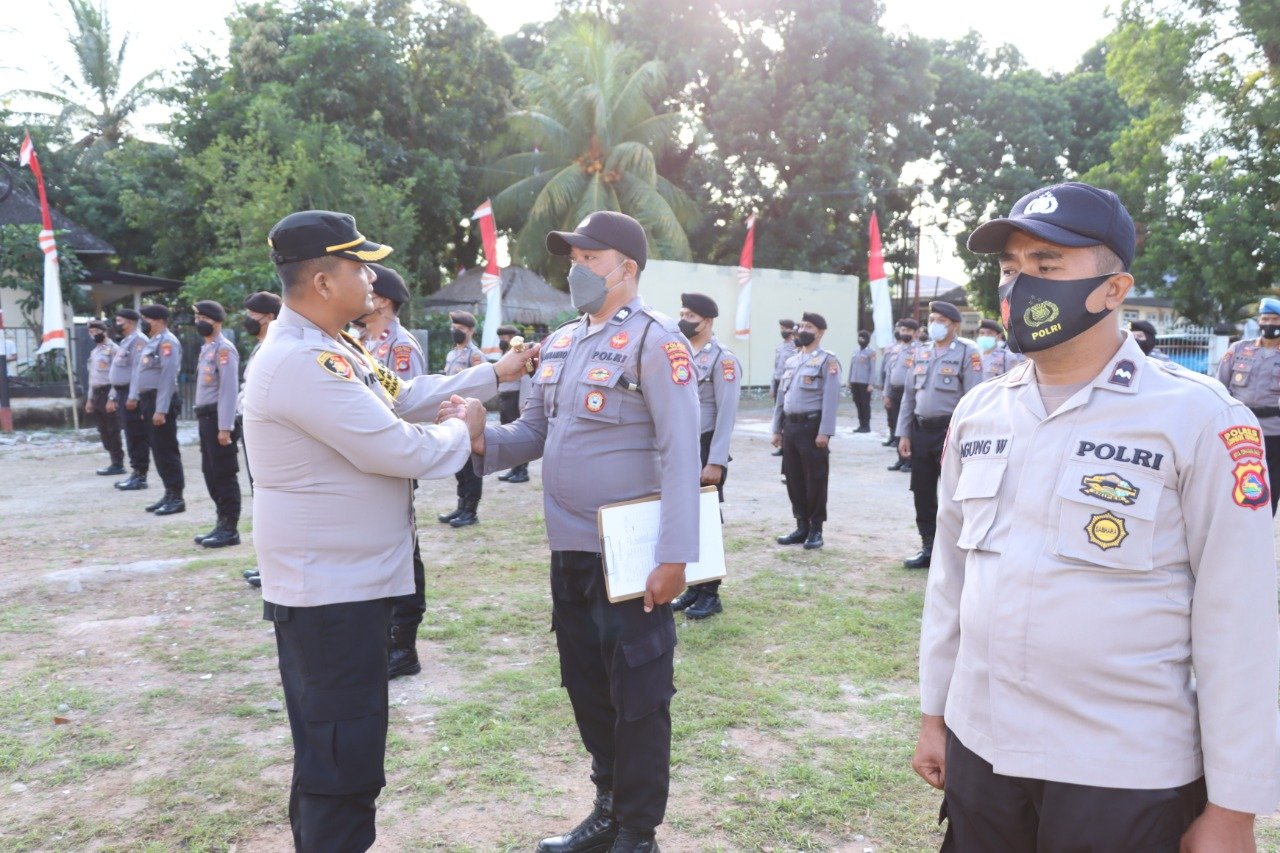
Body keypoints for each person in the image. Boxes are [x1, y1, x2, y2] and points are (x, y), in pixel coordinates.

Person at [912, 180, 1280, 851]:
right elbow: (951, 579)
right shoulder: (981, 411)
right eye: (1010, 267)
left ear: (1115, 289)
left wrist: (1235, 807)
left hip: (1120, 769)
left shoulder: (1199, 418)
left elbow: (1242, 620)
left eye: (1047, 267)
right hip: (983, 747)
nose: (1020, 286)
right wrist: (935, 713)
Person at [247, 209, 535, 853]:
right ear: (323, 281)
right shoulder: (302, 361)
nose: (372, 279)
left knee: (337, 753)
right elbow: (404, 447)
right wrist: (469, 425)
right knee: (340, 765)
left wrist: (493, 374)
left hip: (347, 584)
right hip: (329, 593)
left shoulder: (332, 345)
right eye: (359, 267)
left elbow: (402, 394)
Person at [471, 211, 699, 853]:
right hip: (568, 548)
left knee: (639, 695)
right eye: (572, 258)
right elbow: (533, 436)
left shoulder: (659, 342)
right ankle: (607, 805)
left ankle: (636, 832)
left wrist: (676, 556)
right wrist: (479, 435)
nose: (575, 269)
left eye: (588, 258)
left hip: (630, 556)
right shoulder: (565, 342)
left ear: (626, 267)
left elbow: (681, 453)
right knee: (587, 685)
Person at [354, 262, 432, 679]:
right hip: (366, 461)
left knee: (405, 547)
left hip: (392, 457)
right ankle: (384, 635)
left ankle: (404, 645)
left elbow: (407, 406)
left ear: (381, 299)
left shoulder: (400, 347)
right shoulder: (358, 341)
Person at [897, 300, 983, 569]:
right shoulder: (921, 353)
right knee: (921, 491)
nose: (934, 324)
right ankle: (928, 546)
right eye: (931, 318)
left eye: (940, 320)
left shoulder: (968, 353)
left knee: (953, 494)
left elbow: (973, 399)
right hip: (921, 431)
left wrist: (967, 437)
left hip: (950, 433)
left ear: (954, 325)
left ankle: (955, 551)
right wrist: (903, 434)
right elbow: (908, 397)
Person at [670, 292, 740, 620]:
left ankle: (711, 593)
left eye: (690, 316)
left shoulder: (722, 359)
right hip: (682, 445)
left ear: (707, 322)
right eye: (682, 313)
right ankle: (694, 587)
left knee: (707, 521)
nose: (683, 320)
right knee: (685, 518)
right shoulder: (680, 352)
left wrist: (717, 460)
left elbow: (726, 413)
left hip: (705, 446)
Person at [771, 311, 840, 550]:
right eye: (801, 326)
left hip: (813, 428)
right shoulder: (791, 360)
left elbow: (831, 400)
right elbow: (782, 398)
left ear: (820, 332)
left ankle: (816, 529)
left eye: (809, 327)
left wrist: (825, 432)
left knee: (815, 480)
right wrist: (776, 429)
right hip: (790, 427)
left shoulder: (827, 361)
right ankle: (801, 526)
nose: (802, 330)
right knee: (794, 479)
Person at [1217, 298, 1280, 514]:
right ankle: (1232, 520)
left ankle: (1263, 525)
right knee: (1232, 474)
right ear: (1259, 322)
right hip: (1240, 426)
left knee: (1271, 481)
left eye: (1274, 319)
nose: (1269, 324)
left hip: (1274, 429)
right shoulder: (1238, 349)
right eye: (1265, 319)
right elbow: (1220, 387)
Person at [238, 290, 282, 590]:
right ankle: (269, 566)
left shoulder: (276, 347)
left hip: (270, 432)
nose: (249, 320)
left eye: (254, 315)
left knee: (274, 501)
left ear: (269, 317)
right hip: (252, 426)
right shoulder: (261, 347)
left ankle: (276, 568)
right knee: (262, 499)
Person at [190, 300, 242, 548]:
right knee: (209, 472)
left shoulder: (224, 350)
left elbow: (228, 391)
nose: (199, 321)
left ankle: (229, 528)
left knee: (223, 473)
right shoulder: (207, 349)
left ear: (217, 321)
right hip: (205, 417)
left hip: (217, 419)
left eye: (203, 317)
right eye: (197, 317)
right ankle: (221, 523)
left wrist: (225, 427)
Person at [128, 304, 185, 515]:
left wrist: (160, 409)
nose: (143, 322)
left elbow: (167, 378)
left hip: (161, 401)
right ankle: (168, 492)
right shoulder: (152, 342)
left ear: (159, 320)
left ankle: (177, 497)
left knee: (166, 449)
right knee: (157, 450)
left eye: (147, 318)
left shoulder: (168, 342)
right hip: (148, 400)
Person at [436, 310, 486, 528]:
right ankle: (461, 505)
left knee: (471, 466)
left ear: (471, 331)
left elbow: (481, 386)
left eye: (461, 329)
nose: (455, 331)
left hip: (468, 417)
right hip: (453, 416)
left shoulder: (475, 355)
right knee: (459, 464)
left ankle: (471, 511)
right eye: (454, 327)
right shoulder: (451, 354)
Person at [354, 263, 426, 379]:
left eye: (366, 294)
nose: (357, 300)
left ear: (383, 301)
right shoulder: (368, 342)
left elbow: (408, 396)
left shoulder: (401, 346)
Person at [108, 308, 150, 491]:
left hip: (131, 395)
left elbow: (137, 371)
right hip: (123, 393)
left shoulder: (139, 341)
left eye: (120, 321)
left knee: (136, 435)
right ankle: (135, 473)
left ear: (131, 322)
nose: (117, 325)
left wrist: (133, 396)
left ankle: (140, 475)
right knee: (130, 434)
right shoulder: (126, 341)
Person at [84, 319, 124, 475]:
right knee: (103, 430)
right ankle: (113, 459)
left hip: (109, 392)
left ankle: (118, 464)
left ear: (104, 331)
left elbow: (117, 376)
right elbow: (92, 378)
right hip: (97, 393)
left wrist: (112, 398)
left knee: (113, 429)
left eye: (96, 332)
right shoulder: (94, 352)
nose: (93, 335)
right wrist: (89, 399)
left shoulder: (114, 349)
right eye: (91, 332)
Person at [495, 325, 532, 484]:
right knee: (509, 436)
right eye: (500, 338)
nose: (502, 341)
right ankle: (514, 468)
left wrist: (523, 402)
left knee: (519, 436)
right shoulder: (505, 354)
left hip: (515, 398)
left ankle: (523, 471)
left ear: (512, 338)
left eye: (505, 338)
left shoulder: (521, 354)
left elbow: (526, 379)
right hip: (505, 398)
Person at [882, 317, 920, 467]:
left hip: (911, 393)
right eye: (902, 330)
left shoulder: (919, 350)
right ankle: (900, 458)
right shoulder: (895, 349)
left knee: (909, 425)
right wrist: (886, 393)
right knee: (897, 424)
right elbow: (888, 373)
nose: (904, 333)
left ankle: (910, 459)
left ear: (916, 333)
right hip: (895, 392)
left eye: (908, 330)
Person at [770, 319, 798, 456]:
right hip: (777, 382)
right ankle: (781, 443)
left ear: (792, 330)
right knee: (778, 414)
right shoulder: (780, 347)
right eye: (781, 328)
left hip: (787, 384)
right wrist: (772, 387)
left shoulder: (796, 347)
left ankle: (786, 445)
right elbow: (776, 367)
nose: (783, 331)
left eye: (786, 328)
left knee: (786, 416)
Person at [847, 330, 875, 433]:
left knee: (865, 404)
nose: (860, 340)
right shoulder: (855, 351)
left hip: (865, 383)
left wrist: (871, 383)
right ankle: (861, 425)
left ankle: (866, 426)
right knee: (858, 403)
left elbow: (872, 369)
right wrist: (849, 380)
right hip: (855, 381)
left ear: (867, 340)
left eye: (862, 338)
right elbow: (851, 366)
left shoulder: (871, 352)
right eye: (859, 338)